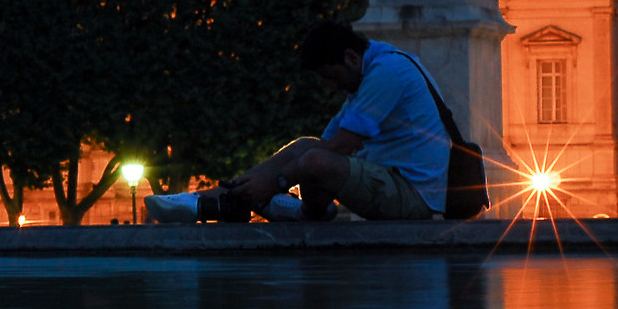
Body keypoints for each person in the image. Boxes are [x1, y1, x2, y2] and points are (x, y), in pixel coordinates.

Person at [146, 23, 449, 223]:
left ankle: (298, 211)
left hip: (414, 197)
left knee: (314, 160)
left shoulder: (386, 73)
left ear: (350, 58)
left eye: (331, 77)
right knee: (305, 148)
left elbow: (342, 146)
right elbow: (321, 145)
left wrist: (275, 182)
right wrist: (266, 178)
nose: (331, 86)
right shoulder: (373, 71)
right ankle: (215, 197)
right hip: (394, 184)